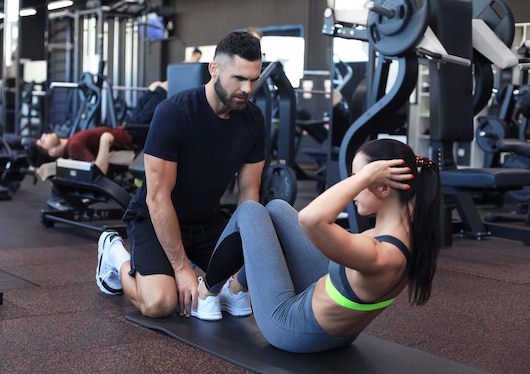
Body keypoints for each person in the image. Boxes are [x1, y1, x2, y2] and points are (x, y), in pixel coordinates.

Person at [196, 139, 442, 353]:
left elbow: (310, 218)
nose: (352, 185)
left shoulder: (381, 253)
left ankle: (206, 293)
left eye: (356, 179)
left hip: (292, 328)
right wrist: (367, 177)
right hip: (337, 329)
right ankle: (237, 292)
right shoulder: (411, 227)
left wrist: (366, 176)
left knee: (250, 211)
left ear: (384, 187)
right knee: (276, 208)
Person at [96, 31, 266, 319]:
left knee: (262, 273)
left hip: (207, 221)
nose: (247, 88)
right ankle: (114, 255)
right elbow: (157, 197)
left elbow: (249, 198)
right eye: (238, 78)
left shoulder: (253, 120)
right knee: (161, 302)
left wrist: (241, 267)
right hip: (154, 218)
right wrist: (181, 268)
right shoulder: (174, 113)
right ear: (214, 69)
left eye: (253, 79)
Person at [27, 80, 168, 175]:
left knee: (155, 86)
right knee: (162, 89)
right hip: (133, 135)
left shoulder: (71, 144)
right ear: (51, 152)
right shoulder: (73, 147)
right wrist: (105, 141)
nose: (44, 135)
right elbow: (98, 170)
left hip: (126, 128)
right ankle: (189, 66)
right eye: (43, 141)